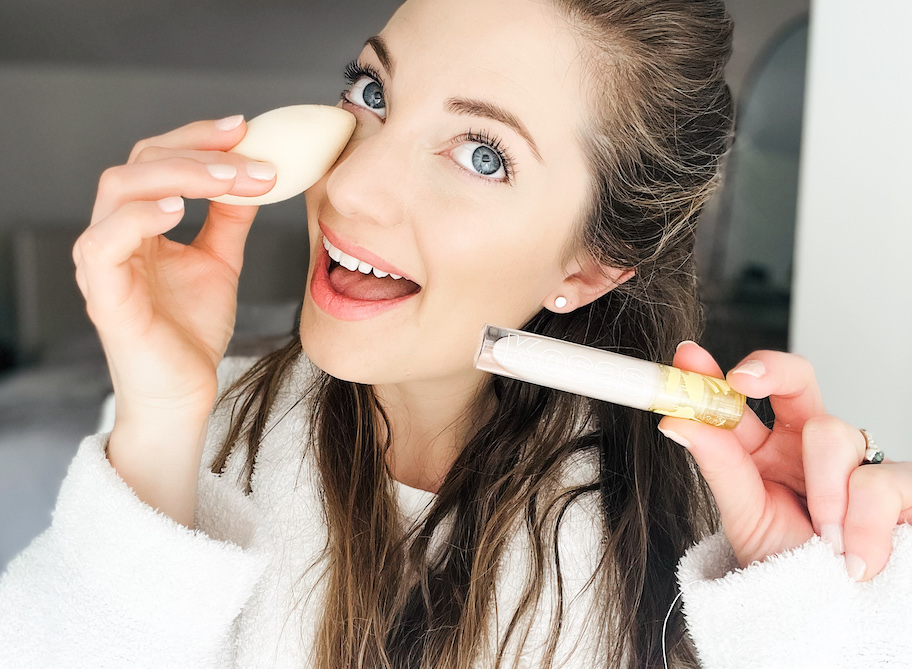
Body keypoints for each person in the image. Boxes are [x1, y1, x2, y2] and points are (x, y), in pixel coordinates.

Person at [1, 0, 910, 667]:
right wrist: (161, 420)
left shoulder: (719, 545)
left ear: (587, 266)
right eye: (373, 90)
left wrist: (821, 616)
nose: (349, 189)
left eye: (484, 153)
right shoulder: (192, 446)